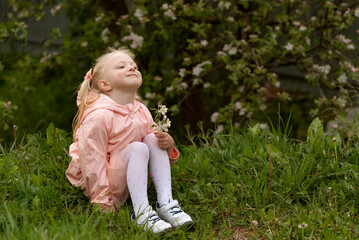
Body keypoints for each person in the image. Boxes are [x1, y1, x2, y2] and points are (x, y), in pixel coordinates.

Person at [65, 47, 193, 234]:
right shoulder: (99, 117)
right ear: (105, 84)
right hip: (107, 185)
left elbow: (153, 152)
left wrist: (169, 146)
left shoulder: (141, 110)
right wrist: (103, 202)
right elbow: (92, 162)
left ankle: (165, 202)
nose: (132, 68)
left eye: (134, 66)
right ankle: (141, 212)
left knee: (152, 138)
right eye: (121, 66)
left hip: (132, 174)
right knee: (138, 148)